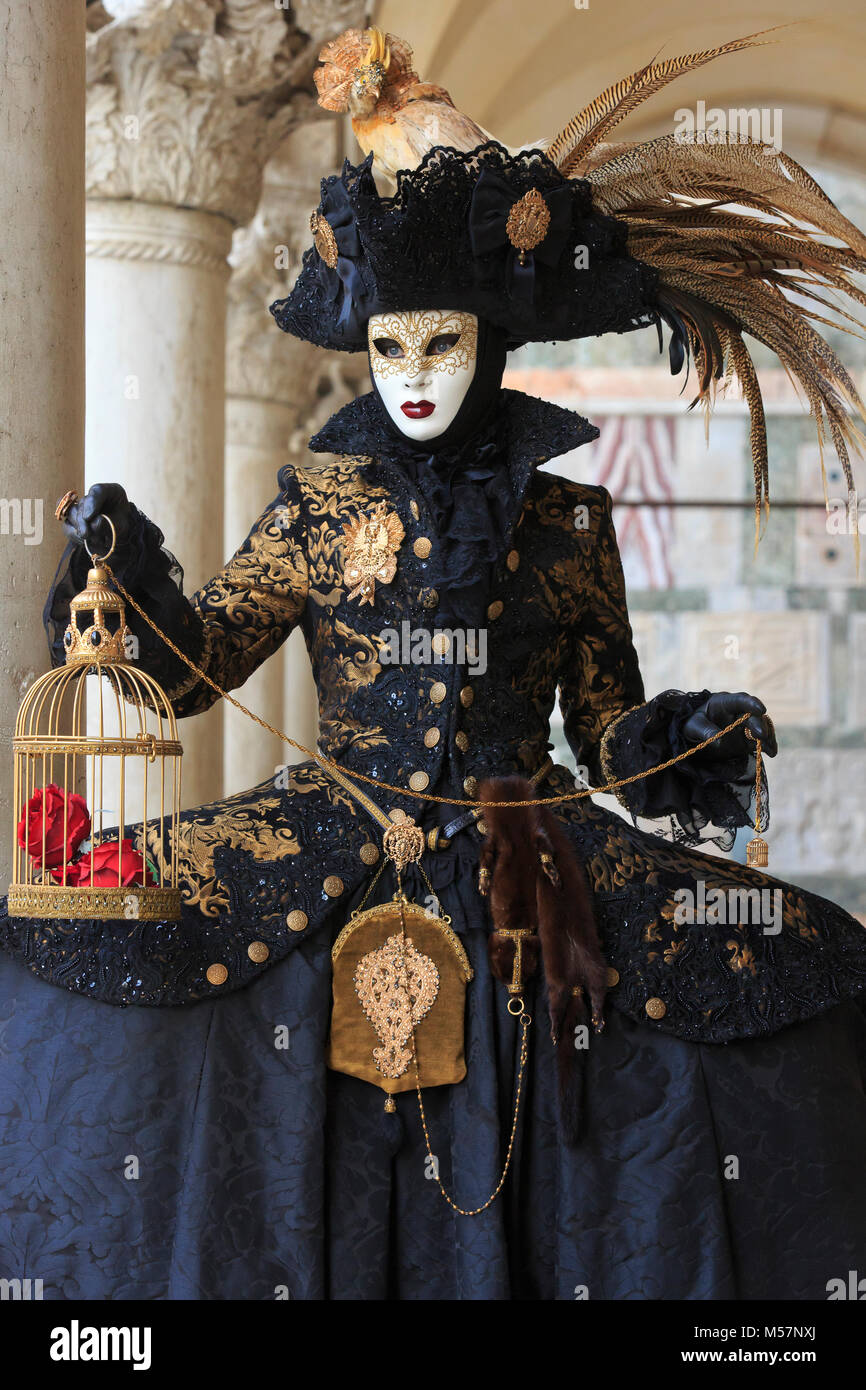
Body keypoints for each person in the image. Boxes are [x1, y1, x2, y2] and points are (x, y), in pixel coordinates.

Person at [2, 133, 865, 1301]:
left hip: (526, 858)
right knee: (97, 944)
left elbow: (601, 725)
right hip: (324, 844)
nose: (411, 371)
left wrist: (668, 745)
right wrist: (126, 579)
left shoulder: (565, 521)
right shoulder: (315, 508)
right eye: (387, 345)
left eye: (441, 342)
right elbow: (201, 666)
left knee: (777, 974)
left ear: (492, 344)